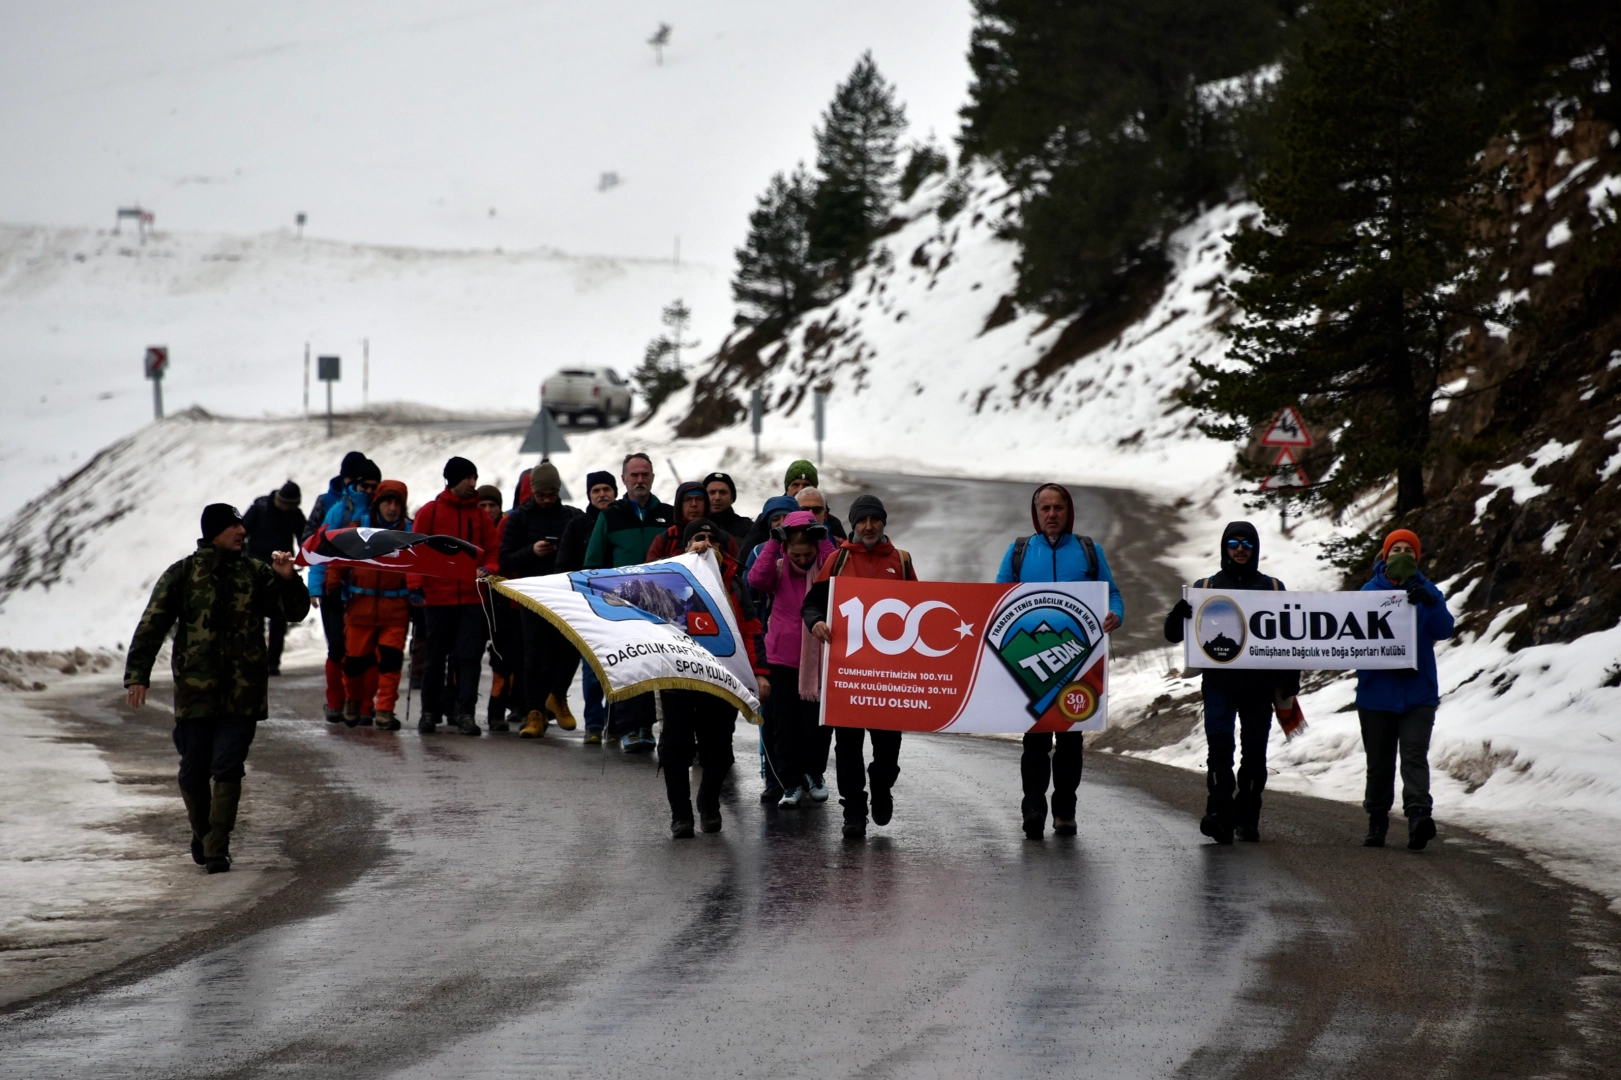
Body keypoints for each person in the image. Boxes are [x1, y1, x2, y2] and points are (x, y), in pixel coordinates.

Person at [123, 504, 310, 873]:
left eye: (242, 526)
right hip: (196, 694)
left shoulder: (255, 572)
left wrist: (289, 579)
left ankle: (216, 847)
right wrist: (137, 674)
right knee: (193, 770)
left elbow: (293, 611)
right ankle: (205, 831)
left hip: (243, 694)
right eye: (233, 527)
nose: (242, 532)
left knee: (228, 767)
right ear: (214, 532)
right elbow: (152, 624)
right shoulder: (183, 574)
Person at [995, 483, 1125, 839]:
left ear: (1069, 513)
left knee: (1069, 742)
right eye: (1045, 508)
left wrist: (1115, 614)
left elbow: (1112, 593)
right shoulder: (1020, 551)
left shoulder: (1088, 551)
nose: (1052, 514)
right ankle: (1033, 808)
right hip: (1032, 659)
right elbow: (997, 598)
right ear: (1036, 514)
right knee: (1035, 740)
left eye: (1058, 508)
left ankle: (1065, 809)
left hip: (1078, 660)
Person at [1164, 522, 1300, 844]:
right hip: (1219, 685)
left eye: (1247, 544)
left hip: (1259, 688)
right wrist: (1177, 615)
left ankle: (1248, 816)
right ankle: (1219, 814)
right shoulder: (1206, 586)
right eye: (1234, 543)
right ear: (1225, 546)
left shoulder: (1274, 589)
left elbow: (1292, 636)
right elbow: (1172, 635)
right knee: (1220, 751)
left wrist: (1291, 678)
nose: (1240, 549)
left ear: (1255, 549)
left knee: (1254, 756)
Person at [802, 494, 919, 840]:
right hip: (847, 674)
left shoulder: (901, 561)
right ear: (853, 524)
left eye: (875, 520)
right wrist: (817, 623)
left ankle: (881, 787)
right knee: (847, 746)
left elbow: (921, 609)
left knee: (888, 748)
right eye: (862, 520)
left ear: (883, 523)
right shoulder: (838, 561)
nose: (869, 527)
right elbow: (811, 605)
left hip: (888, 675)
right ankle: (854, 809)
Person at [660, 519, 769, 837]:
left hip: (723, 678)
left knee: (719, 750)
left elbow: (751, 629)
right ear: (685, 546)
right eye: (698, 538)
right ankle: (681, 815)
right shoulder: (667, 579)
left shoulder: (735, 584)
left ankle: (708, 802)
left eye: (713, 538)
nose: (706, 543)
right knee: (675, 748)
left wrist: (760, 674)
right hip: (678, 678)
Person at [1356, 528, 1454, 850]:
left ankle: (1418, 817)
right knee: (1379, 763)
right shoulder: (1368, 592)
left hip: (1417, 694)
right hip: (1377, 695)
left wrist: (1429, 600)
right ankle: (1377, 818)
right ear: (1385, 556)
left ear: (1417, 557)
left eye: (1408, 550)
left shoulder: (1428, 591)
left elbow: (1444, 628)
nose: (1402, 555)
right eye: (1396, 549)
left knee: (1414, 756)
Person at [583, 453, 675, 751]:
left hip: (662, 605)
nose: (640, 480)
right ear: (623, 479)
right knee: (630, 667)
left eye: (645, 474)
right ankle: (630, 729)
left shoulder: (669, 514)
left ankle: (652, 729)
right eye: (634, 475)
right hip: (620, 605)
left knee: (658, 668)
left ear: (652, 476)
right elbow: (593, 562)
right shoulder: (610, 515)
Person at [749, 509, 837, 809]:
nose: (802, 560)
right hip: (782, 660)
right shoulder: (777, 568)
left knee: (818, 725)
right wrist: (776, 541)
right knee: (783, 725)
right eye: (796, 554)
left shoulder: (825, 568)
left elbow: (839, 569)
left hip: (818, 660)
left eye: (808, 553)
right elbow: (755, 578)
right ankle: (789, 782)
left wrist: (821, 536)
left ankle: (814, 774)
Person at [409, 456, 500, 736]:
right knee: (435, 658)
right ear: (453, 480)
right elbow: (415, 552)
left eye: (474, 477)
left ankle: (466, 713)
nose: (473, 483)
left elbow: (494, 551)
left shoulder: (480, 516)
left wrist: (489, 569)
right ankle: (429, 712)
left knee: (469, 658)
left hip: (473, 600)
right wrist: (415, 585)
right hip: (438, 599)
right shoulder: (430, 513)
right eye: (468, 478)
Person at [500, 461, 586, 739]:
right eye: (541, 495)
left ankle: (557, 696)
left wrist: (564, 550)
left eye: (551, 494)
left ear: (558, 490)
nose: (547, 500)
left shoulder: (572, 516)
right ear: (533, 493)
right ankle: (534, 712)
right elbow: (506, 558)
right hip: (533, 593)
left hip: (563, 593)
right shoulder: (519, 518)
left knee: (569, 648)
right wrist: (532, 551)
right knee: (534, 655)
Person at [308, 458, 382, 724]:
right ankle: (336, 703)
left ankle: (365, 706)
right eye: (366, 485)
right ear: (356, 484)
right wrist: (316, 587)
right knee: (338, 649)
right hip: (334, 592)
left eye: (375, 486)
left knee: (367, 652)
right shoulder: (339, 511)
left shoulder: (382, 512)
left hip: (363, 593)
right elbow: (321, 550)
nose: (370, 491)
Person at [336, 479, 413, 730]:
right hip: (361, 607)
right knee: (354, 663)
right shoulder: (359, 528)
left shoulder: (410, 533)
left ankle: (385, 710)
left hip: (396, 609)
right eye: (387, 502)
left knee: (391, 663)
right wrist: (331, 580)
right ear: (378, 503)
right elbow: (339, 556)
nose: (392, 508)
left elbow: (422, 566)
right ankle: (353, 700)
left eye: (396, 503)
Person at [558, 470, 618, 743]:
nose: (602, 494)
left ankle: (616, 723)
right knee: (592, 669)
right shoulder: (578, 525)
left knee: (620, 668)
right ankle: (594, 723)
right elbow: (564, 566)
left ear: (615, 492)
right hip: (588, 605)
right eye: (596, 491)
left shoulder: (622, 520)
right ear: (589, 495)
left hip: (622, 605)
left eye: (606, 489)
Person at [242, 480, 303, 675]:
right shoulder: (260, 507)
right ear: (280, 500)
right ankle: (256, 659)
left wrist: (306, 558)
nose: (288, 509)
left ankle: (273, 662)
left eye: (292, 506)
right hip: (256, 567)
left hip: (281, 568)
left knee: (279, 616)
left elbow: (305, 538)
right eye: (287, 505)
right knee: (255, 617)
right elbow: (242, 531)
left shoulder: (294, 514)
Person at [477, 484, 523, 731]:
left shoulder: (509, 528)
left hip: (501, 604)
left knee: (504, 660)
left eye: (492, 505)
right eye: (482, 505)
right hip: (477, 602)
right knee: (466, 658)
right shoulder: (474, 528)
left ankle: (498, 710)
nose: (487, 510)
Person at [646, 480, 738, 561]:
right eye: (688, 499)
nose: (694, 504)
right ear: (679, 505)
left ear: (706, 504)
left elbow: (736, 569)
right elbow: (651, 570)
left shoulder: (723, 538)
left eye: (699, 499)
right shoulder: (667, 538)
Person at [302, 450, 369, 541]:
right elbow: (308, 537)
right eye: (351, 478)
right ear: (343, 476)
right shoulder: (325, 500)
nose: (354, 483)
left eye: (358, 480)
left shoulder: (370, 499)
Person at [703, 472, 752, 539]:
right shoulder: (692, 527)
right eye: (712, 492)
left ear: (732, 497)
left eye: (723, 492)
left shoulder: (748, 528)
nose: (717, 497)